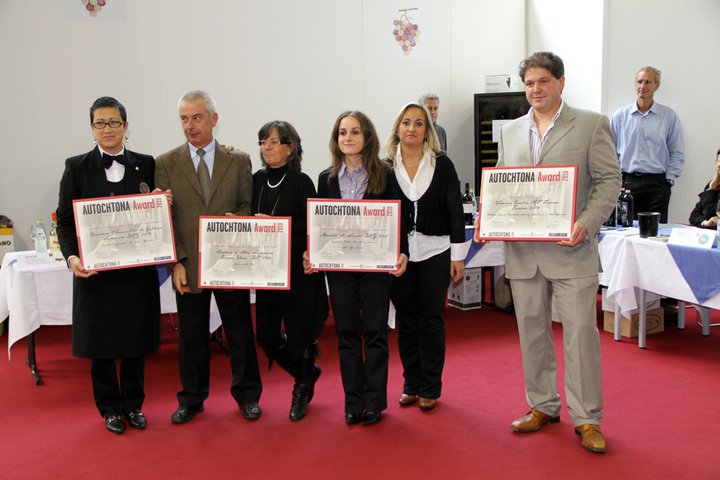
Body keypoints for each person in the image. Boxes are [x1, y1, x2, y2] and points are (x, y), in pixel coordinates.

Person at [481, 52, 621, 453]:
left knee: (580, 337)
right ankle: (542, 404)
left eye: (543, 81)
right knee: (532, 333)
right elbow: (503, 182)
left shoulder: (591, 124)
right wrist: (490, 215)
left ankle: (587, 418)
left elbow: (609, 181)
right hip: (523, 253)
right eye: (529, 83)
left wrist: (587, 223)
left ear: (561, 82)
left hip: (572, 250)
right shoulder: (511, 131)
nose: (536, 89)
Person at [56, 96, 165, 434]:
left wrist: (162, 202)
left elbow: (161, 207)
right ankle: (109, 409)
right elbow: (65, 221)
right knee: (100, 345)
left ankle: (133, 405)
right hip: (96, 276)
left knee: (135, 341)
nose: (107, 129)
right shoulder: (76, 167)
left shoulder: (147, 164)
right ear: (92, 128)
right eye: (100, 123)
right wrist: (72, 258)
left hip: (136, 275)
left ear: (126, 126)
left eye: (114, 122)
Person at [155, 90, 263, 424]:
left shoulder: (239, 160)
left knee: (240, 332)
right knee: (190, 337)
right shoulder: (165, 163)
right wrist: (175, 262)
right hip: (188, 265)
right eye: (184, 119)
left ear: (214, 119)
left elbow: (247, 207)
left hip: (230, 262)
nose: (190, 125)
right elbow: (165, 219)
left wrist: (237, 221)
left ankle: (248, 396)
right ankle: (191, 398)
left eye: (197, 117)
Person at [310, 111, 408, 426]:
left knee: (376, 333)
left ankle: (375, 402)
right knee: (347, 334)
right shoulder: (326, 179)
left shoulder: (386, 174)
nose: (348, 138)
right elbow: (320, 225)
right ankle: (353, 403)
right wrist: (312, 252)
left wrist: (402, 253)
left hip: (376, 268)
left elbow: (399, 218)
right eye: (342, 132)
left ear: (367, 137)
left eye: (354, 132)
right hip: (339, 269)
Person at [385, 102, 466, 413]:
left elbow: (455, 211)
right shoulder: (385, 166)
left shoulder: (442, 164)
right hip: (400, 255)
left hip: (437, 250)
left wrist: (458, 256)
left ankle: (430, 387)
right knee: (406, 320)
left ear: (427, 130)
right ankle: (411, 383)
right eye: (406, 122)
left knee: (431, 319)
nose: (412, 128)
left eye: (419, 123)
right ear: (398, 128)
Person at [251, 120, 329, 421]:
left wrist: (275, 225)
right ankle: (307, 373)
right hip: (267, 270)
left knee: (301, 332)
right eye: (262, 142)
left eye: (273, 142)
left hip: (298, 269)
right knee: (266, 335)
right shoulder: (256, 180)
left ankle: (301, 389)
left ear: (290, 147)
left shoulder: (302, 182)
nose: (266, 147)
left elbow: (313, 225)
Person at [611, 66, 685, 223]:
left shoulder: (668, 116)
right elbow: (610, 150)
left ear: (657, 85)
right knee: (626, 228)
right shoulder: (620, 116)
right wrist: (615, 178)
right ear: (635, 85)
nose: (642, 86)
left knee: (656, 231)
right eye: (639, 82)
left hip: (657, 184)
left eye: (648, 82)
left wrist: (669, 178)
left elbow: (677, 150)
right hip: (627, 183)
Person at [689, 148, 720, 228]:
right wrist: (705, 223)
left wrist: (712, 189)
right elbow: (694, 215)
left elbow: (711, 214)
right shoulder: (714, 184)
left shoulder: (713, 186)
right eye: (718, 161)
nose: (719, 165)